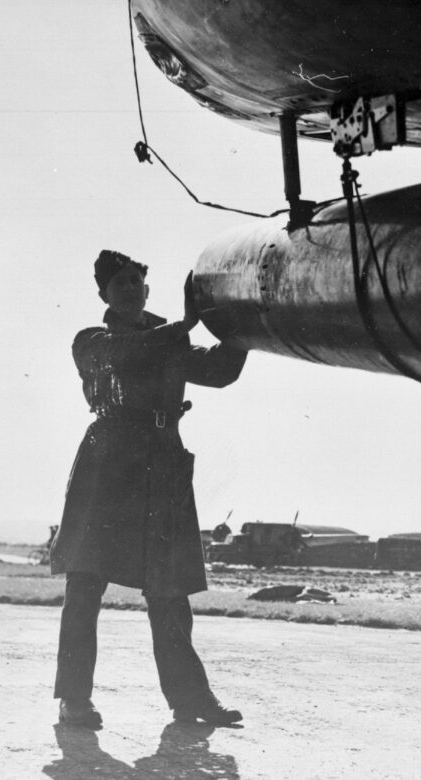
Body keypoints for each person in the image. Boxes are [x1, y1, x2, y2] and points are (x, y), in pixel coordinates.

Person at [50, 249, 247, 729]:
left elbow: (220, 371)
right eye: (120, 286)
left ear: (147, 289)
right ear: (104, 296)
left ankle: (190, 700)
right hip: (107, 466)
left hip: (162, 462)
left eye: (136, 282)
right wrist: (184, 324)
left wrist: (242, 326)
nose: (131, 291)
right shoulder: (92, 341)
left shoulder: (169, 340)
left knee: (170, 588)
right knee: (85, 586)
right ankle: (74, 700)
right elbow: (128, 354)